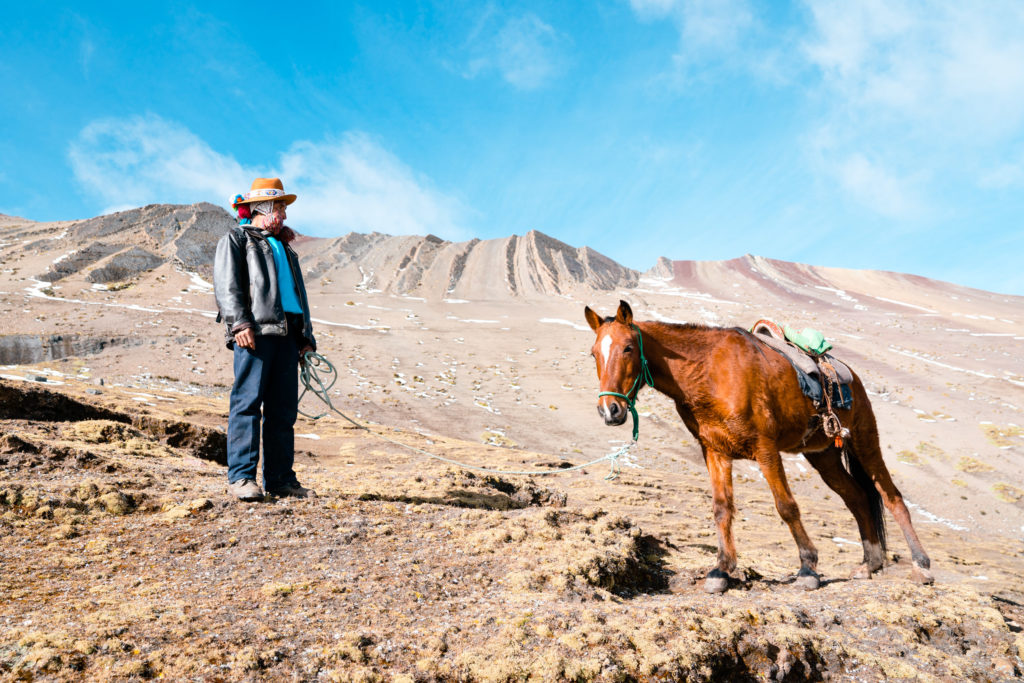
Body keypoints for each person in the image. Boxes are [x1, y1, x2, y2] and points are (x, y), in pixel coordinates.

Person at [214, 177, 317, 501]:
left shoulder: (286, 249)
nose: (285, 216)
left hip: (287, 337)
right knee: (247, 405)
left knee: (283, 411)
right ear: (262, 207)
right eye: (280, 209)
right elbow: (227, 285)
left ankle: (280, 480)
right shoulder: (237, 239)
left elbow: (297, 296)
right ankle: (242, 478)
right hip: (255, 334)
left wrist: (305, 337)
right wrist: (239, 324)